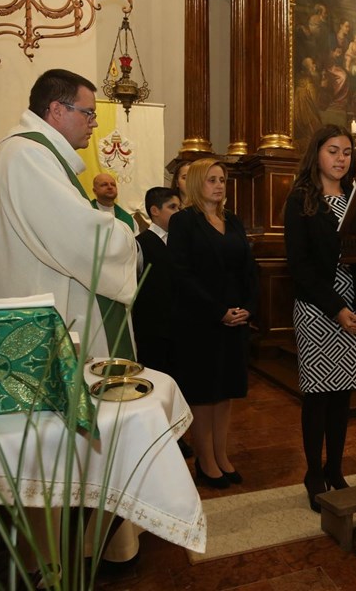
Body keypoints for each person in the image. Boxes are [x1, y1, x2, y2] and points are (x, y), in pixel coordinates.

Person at [0, 68, 137, 360]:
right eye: (88, 113)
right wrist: (128, 239)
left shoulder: (26, 152)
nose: (94, 123)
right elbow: (79, 237)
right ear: (57, 110)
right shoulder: (27, 155)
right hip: (40, 319)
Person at [283, 124, 356, 513]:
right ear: (317, 154)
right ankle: (313, 474)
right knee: (318, 396)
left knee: (342, 396)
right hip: (317, 307)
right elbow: (300, 266)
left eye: (346, 152)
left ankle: (335, 469)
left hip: (353, 310)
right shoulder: (301, 200)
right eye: (333, 151)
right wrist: (336, 309)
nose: (341, 158)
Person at [166, 158, 258, 489]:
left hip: (235, 319)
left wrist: (248, 308)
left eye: (222, 179)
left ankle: (222, 455)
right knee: (204, 394)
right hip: (200, 321)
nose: (219, 185)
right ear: (195, 183)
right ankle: (205, 462)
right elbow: (181, 274)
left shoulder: (232, 220)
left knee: (226, 391)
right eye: (211, 180)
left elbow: (249, 268)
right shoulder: (183, 221)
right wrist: (218, 310)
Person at [133, 187, 182, 373]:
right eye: (172, 207)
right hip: (152, 328)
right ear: (155, 210)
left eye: (179, 208)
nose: (178, 212)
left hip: (179, 325)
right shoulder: (139, 243)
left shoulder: (181, 241)